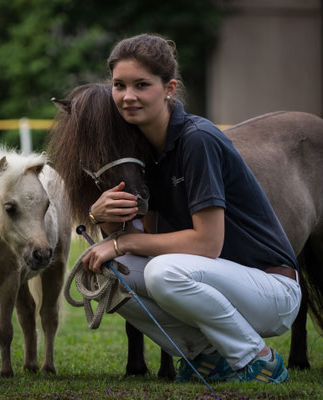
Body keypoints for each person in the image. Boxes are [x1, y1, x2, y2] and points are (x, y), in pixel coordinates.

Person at [82, 33, 301, 384]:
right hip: (216, 281)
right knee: (109, 270)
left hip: (271, 290)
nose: (128, 96)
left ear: (169, 89)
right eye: (119, 85)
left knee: (162, 273)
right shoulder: (143, 148)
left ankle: (258, 360)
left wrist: (123, 243)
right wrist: (104, 219)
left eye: (142, 85)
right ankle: (208, 357)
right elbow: (152, 238)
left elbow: (206, 244)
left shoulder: (197, 139)